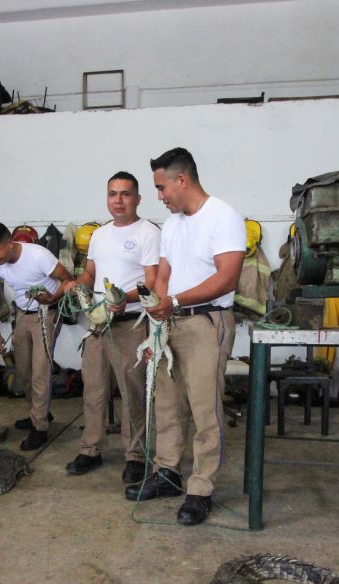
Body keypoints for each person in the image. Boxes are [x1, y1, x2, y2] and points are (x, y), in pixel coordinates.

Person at [125, 147, 245, 526]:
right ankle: (167, 472)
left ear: (183, 179)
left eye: (162, 188)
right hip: (170, 323)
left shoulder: (223, 216)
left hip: (206, 323)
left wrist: (173, 301)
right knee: (167, 402)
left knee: (204, 409)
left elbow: (226, 278)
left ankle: (201, 489)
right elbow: (163, 274)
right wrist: (155, 325)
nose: (160, 197)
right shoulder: (173, 224)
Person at [59, 172, 160, 483]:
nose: (118, 200)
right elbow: (91, 272)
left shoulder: (149, 233)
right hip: (98, 324)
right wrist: (78, 284)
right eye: (113, 194)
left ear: (137, 199)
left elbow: (152, 281)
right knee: (94, 388)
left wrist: (124, 299)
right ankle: (91, 448)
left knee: (132, 392)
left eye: (125, 194)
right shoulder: (100, 235)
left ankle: (135, 454)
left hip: (130, 324)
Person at [0, 221, 73, 451]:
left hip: (48, 312)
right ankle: (39, 413)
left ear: (10, 243)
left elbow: (68, 279)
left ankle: (39, 427)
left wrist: (53, 298)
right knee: (24, 372)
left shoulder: (38, 256)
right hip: (23, 313)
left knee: (40, 371)